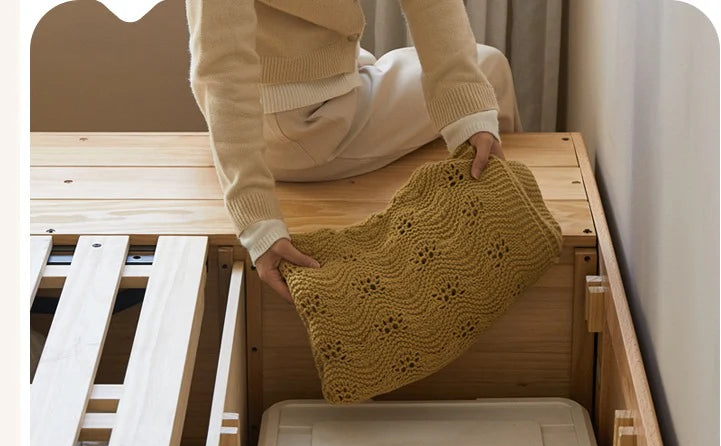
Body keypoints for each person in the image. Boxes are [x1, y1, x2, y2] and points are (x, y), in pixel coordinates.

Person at [186, 1, 522, 301]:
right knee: (490, 68)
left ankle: (499, 209)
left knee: (430, 72)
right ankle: (508, 232)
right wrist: (257, 221)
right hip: (306, 124)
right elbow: (224, 72)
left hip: (305, 96)